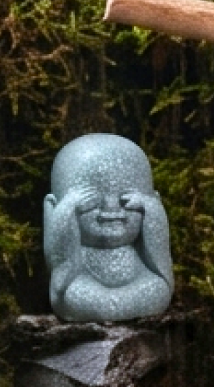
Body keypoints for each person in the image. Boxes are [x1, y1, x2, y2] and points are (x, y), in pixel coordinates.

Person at [43, 132, 174, 322]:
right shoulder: (64, 216)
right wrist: (68, 209)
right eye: (92, 199)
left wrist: (150, 208)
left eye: (125, 198)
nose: (111, 208)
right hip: (83, 282)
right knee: (72, 294)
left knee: (158, 288)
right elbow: (60, 257)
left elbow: (159, 250)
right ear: (55, 206)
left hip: (139, 279)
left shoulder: (149, 209)